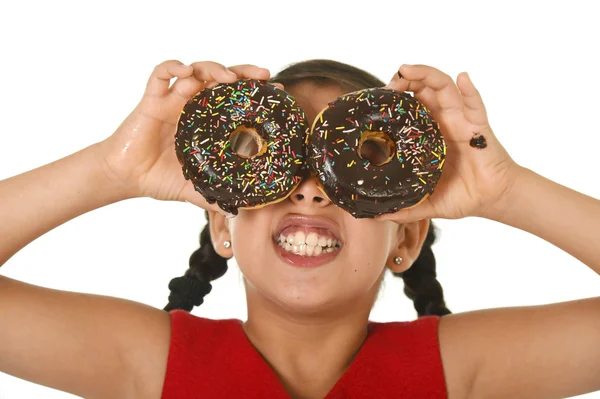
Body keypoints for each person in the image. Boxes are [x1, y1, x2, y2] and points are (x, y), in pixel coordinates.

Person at [0, 59, 598, 399]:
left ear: (407, 238)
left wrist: (505, 192)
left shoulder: (459, 366)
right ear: (222, 225)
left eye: (356, 170)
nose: (310, 190)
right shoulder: (151, 360)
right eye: (276, 167)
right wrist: (114, 169)